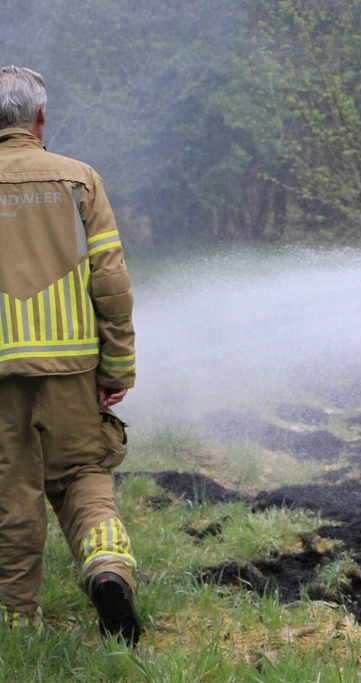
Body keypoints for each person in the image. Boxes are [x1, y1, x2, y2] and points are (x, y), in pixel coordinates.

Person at [0, 66, 141, 645]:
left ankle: (16, 620)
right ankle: (108, 570)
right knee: (85, 475)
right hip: (74, 371)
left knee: (11, 491)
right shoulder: (80, 180)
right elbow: (109, 280)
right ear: (39, 119)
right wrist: (118, 366)